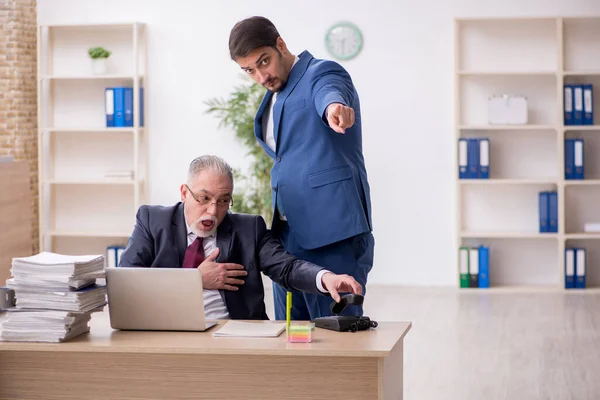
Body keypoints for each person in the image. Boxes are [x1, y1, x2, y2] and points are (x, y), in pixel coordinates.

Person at [228, 16, 374, 320]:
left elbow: (329, 92)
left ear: (281, 45)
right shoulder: (272, 97)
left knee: (337, 337)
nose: (260, 76)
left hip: (332, 233)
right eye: (249, 70)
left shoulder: (321, 72)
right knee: (291, 340)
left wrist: (334, 108)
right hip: (288, 240)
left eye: (263, 62)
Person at [118, 155, 362, 321]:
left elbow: (287, 267)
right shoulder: (152, 221)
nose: (213, 211)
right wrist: (193, 279)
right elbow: (127, 282)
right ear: (184, 192)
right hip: (166, 337)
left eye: (223, 201)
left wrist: (326, 278)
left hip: (235, 340)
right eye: (204, 198)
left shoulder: (248, 228)